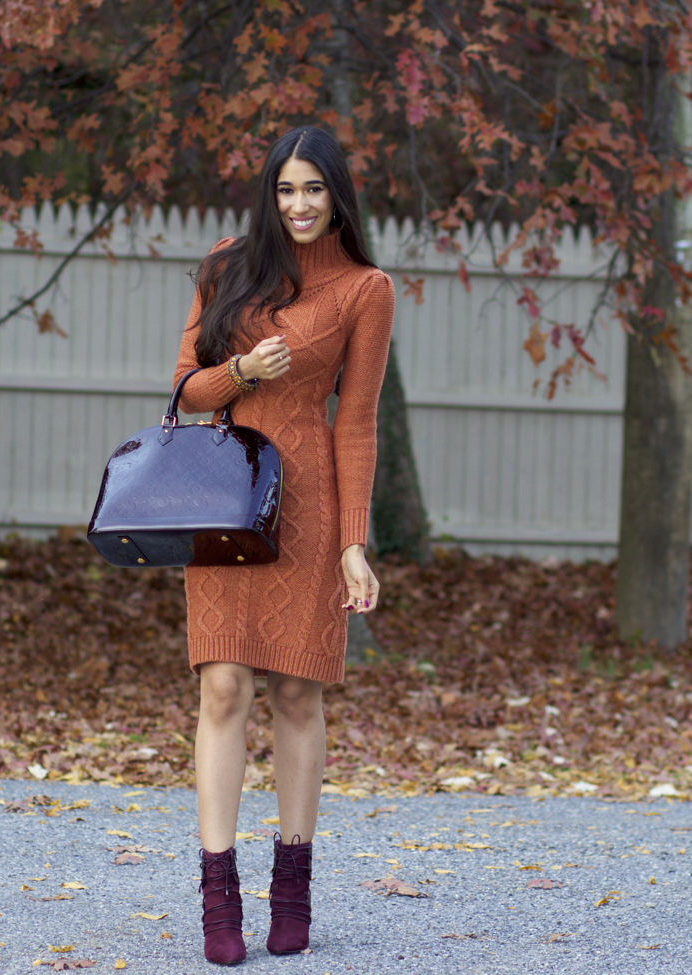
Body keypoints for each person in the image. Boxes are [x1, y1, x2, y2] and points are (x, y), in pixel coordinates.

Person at [172, 125, 394, 965]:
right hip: (226, 503)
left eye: (314, 189)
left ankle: (292, 886)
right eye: (285, 189)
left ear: (337, 194)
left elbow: (358, 422)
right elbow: (186, 390)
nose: (299, 205)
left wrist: (352, 543)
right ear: (269, 195)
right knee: (224, 687)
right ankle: (217, 893)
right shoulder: (228, 265)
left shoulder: (366, 290)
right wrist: (244, 374)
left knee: (298, 696)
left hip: (309, 506)